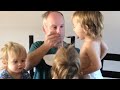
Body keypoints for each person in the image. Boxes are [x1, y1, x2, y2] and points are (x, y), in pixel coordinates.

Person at [25, 11, 80, 79]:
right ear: (45, 29)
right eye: (54, 27)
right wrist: (46, 46)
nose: (59, 32)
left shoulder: (72, 50)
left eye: (62, 26)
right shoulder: (37, 45)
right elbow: (25, 67)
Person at [72, 11, 108, 79]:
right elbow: (105, 49)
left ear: (85, 28)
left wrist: (82, 72)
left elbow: (97, 65)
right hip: (95, 73)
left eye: (75, 26)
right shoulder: (97, 39)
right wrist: (96, 59)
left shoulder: (88, 45)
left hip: (89, 75)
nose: (74, 29)